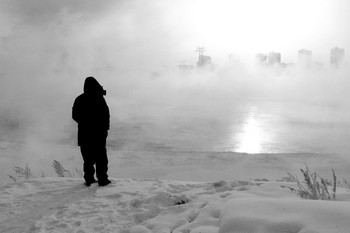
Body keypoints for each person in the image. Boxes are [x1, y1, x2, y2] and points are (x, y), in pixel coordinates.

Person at [72, 77, 111, 186]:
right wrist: (105, 129)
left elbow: (75, 116)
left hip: (85, 134)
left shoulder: (80, 99)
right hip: (99, 134)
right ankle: (102, 179)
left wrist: (85, 123)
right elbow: (105, 115)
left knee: (88, 159)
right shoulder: (99, 98)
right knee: (101, 158)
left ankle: (89, 179)